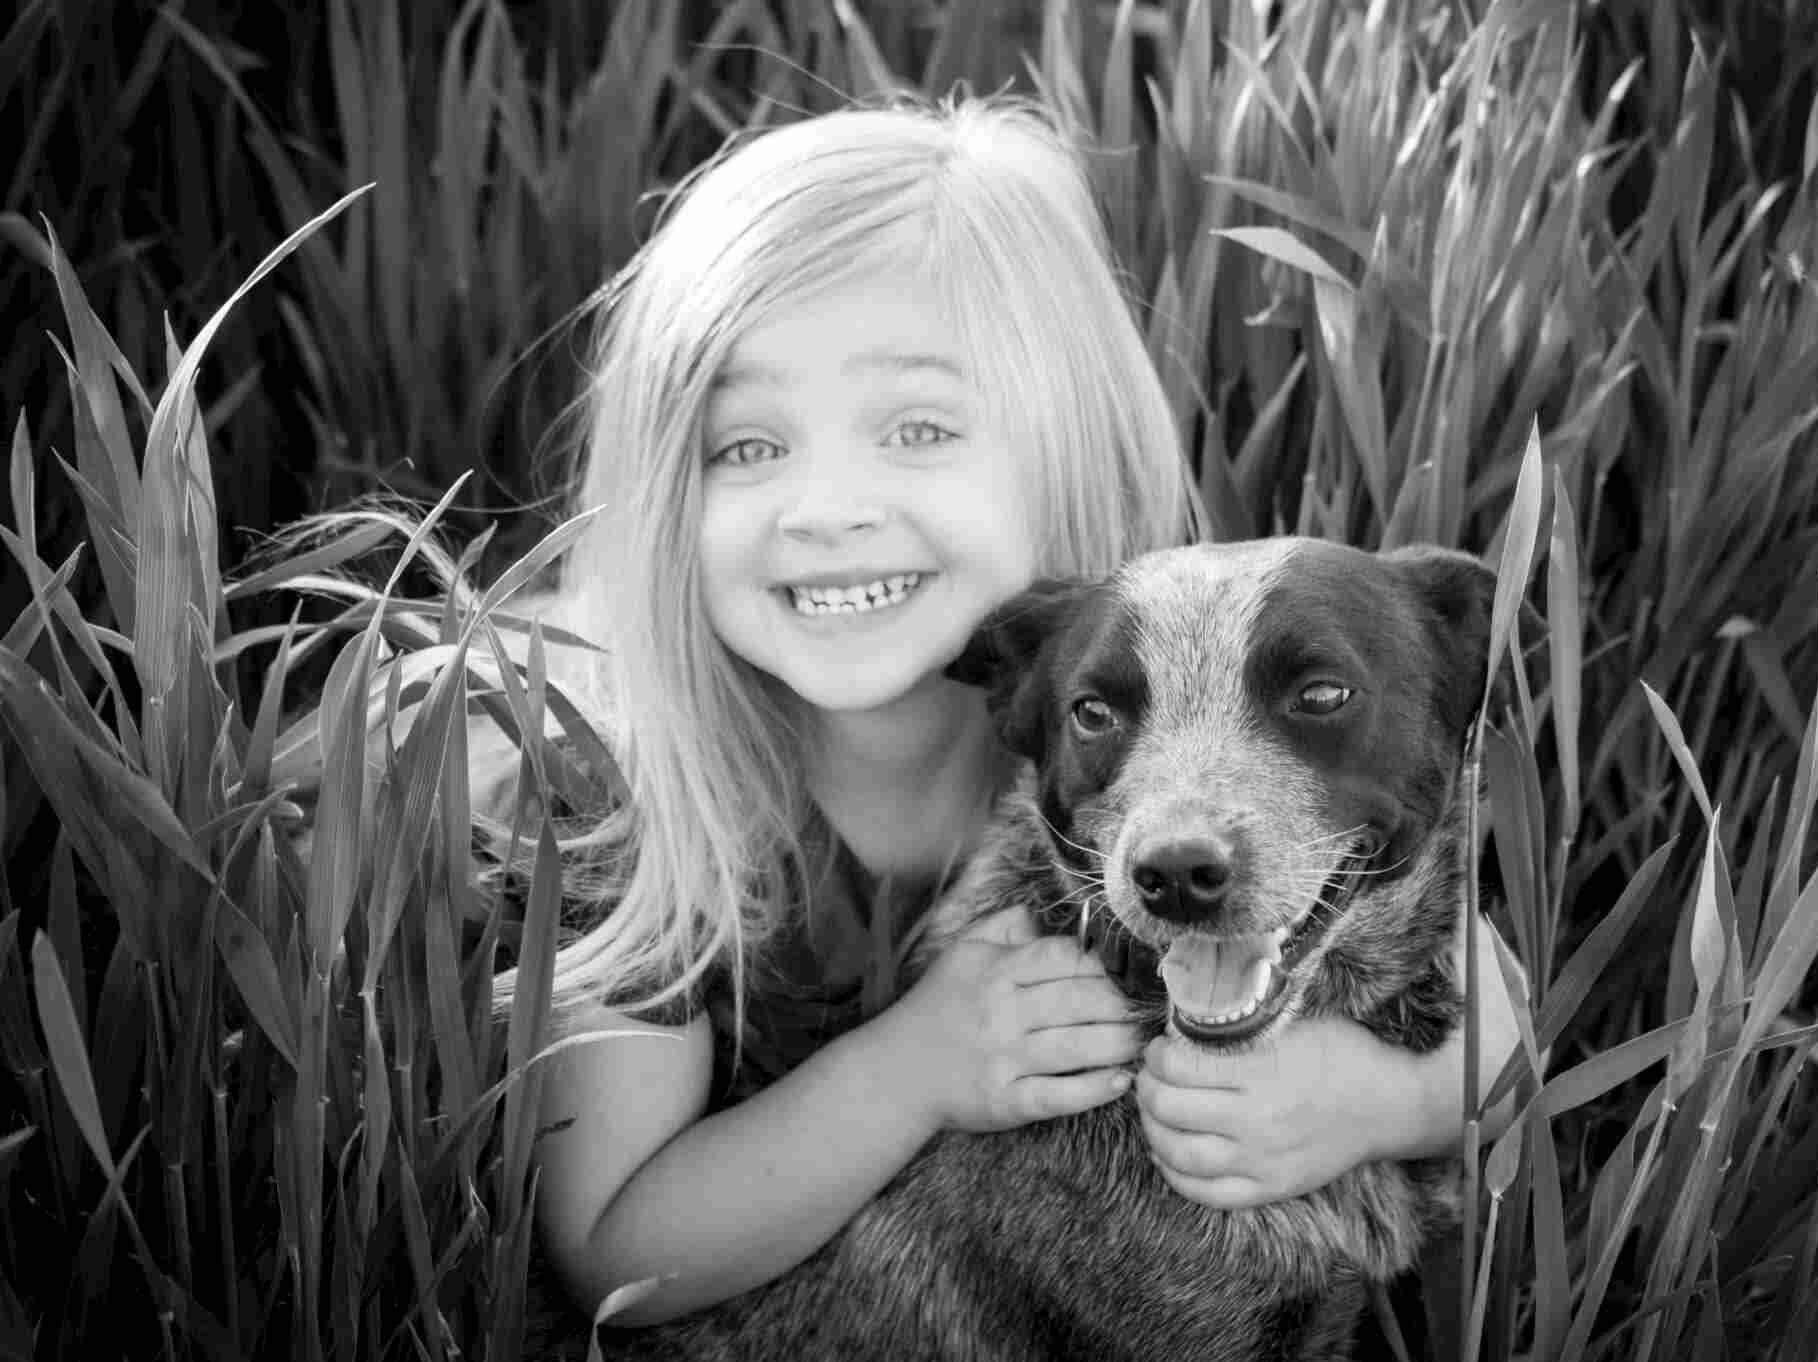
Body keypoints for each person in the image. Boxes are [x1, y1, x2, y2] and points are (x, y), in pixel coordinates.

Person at [516, 93, 1525, 1330]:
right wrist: (907, 1074)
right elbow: (616, 1261)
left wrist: (1389, 1100)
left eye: (918, 426)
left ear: (1065, 455)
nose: (827, 506)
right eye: (745, 447)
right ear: (659, 493)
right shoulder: (634, 810)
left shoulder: (1137, 658)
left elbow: (1486, 988)